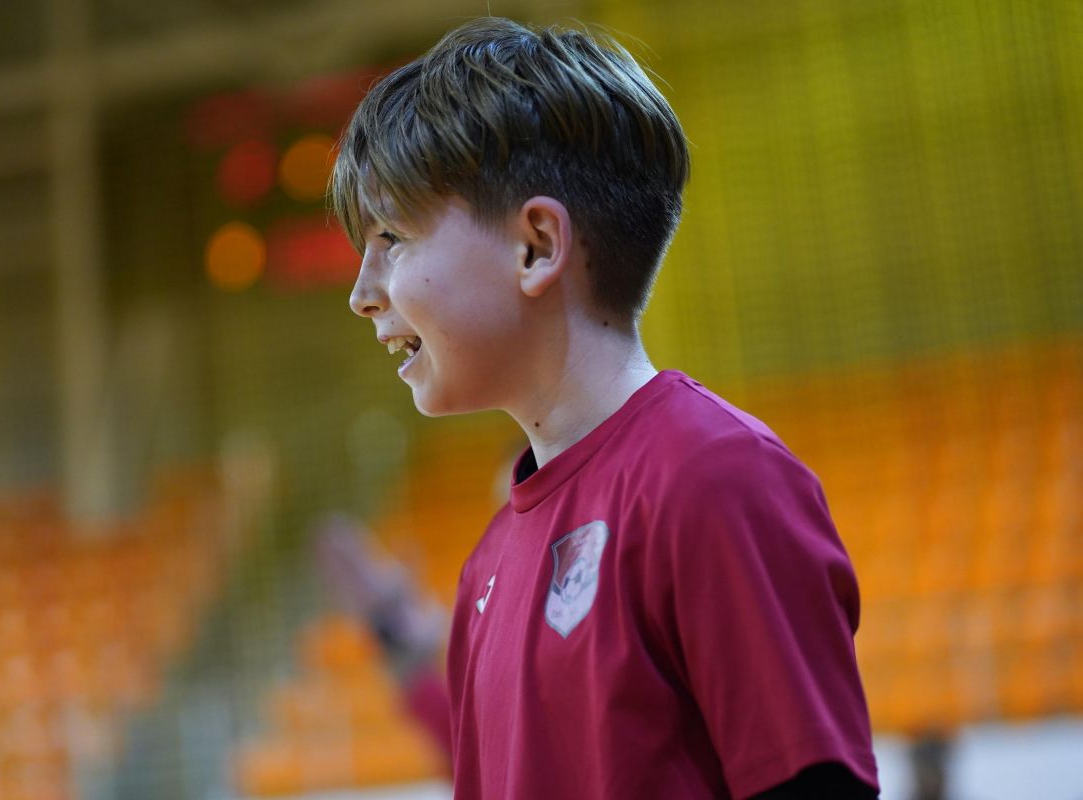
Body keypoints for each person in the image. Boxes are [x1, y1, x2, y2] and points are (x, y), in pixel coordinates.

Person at [318, 16, 880, 799]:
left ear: (537, 246)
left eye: (392, 237)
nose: (361, 293)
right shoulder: (487, 565)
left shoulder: (713, 477)